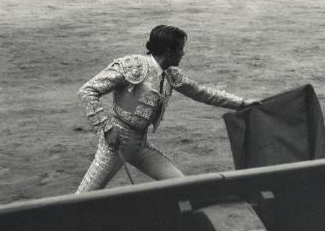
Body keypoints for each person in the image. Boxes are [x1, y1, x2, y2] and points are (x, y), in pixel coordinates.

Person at [76, 25, 260, 193]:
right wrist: (106, 129)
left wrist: (242, 103)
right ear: (168, 51)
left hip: (141, 145)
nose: (183, 54)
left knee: (180, 184)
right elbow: (87, 91)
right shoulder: (133, 65)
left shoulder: (170, 74)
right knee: (82, 198)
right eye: (180, 49)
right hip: (115, 145)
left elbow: (203, 93)